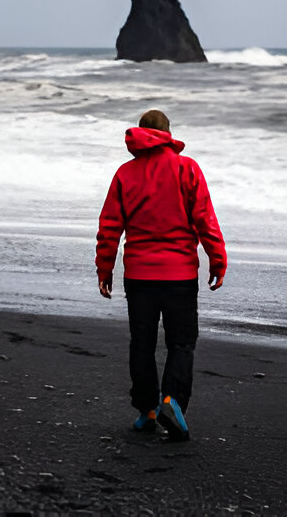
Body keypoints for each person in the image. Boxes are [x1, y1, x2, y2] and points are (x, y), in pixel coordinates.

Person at [95, 109, 227, 441]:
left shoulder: (125, 173)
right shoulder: (187, 168)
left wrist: (105, 268)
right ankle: (173, 401)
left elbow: (110, 226)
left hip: (139, 275)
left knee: (142, 343)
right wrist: (217, 259)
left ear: (141, 134)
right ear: (168, 133)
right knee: (181, 342)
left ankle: (148, 411)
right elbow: (205, 219)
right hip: (180, 274)